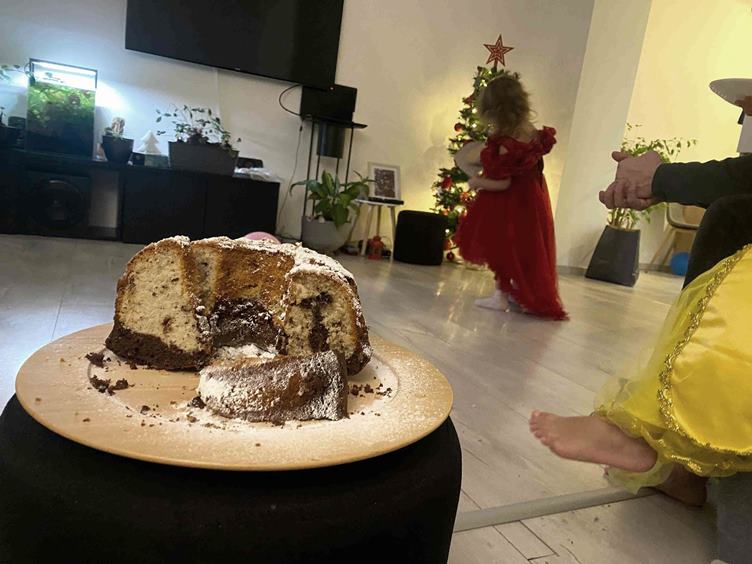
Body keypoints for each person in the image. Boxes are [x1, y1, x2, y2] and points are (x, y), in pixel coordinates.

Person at [453, 74, 567, 320]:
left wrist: (477, 182)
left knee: (503, 247)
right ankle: (520, 294)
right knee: (524, 249)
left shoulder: (504, 144)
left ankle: (501, 296)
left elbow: (503, 183)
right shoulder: (534, 135)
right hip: (533, 200)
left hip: (508, 203)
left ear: (493, 111)